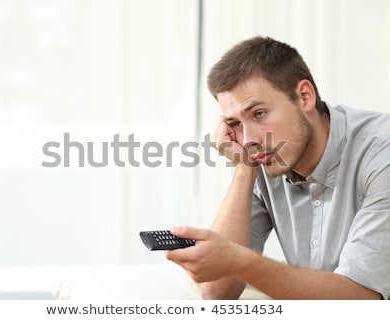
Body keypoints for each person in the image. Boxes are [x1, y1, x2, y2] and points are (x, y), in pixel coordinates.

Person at [165, 36, 390, 300]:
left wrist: (242, 263)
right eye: (235, 123)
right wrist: (244, 167)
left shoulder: (380, 154)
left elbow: (362, 301)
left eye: (259, 114)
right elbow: (218, 293)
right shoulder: (264, 155)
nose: (248, 139)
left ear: (305, 96)